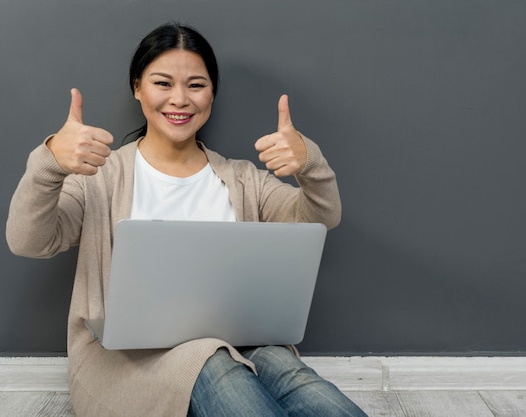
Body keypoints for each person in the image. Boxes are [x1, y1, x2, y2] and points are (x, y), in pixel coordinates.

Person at [6, 22, 366, 417]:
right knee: (210, 362)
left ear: (212, 93)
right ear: (137, 87)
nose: (180, 99)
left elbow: (320, 217)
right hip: (126, 361)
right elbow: (28, 241)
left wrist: (310, 165)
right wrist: (50, 164)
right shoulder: (101, 178)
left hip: (237, 343)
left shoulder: (243, 178)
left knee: (288, 369)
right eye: (163, 83)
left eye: (196, 85)